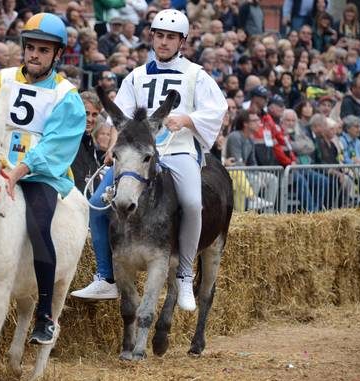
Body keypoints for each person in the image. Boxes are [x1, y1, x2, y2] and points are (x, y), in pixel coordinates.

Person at [71, 9, 227, 312]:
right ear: (152, 37)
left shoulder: (197, 75)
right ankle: (105, 275)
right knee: (98, 204)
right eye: (159, 36)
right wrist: (113, 147)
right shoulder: (136, 76)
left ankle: (183, 273)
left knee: (193, 204)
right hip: (136, 155)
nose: (164, 42)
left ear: (181, 40)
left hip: (178, 149)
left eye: (170, 37)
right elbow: (122, 118)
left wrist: (187, 119)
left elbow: (216, 110)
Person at [0, 12, 85, 345]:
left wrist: (19, 170)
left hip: (40, 175)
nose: (35, 55)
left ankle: (45, 316)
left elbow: (54, 145)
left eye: (43, 50)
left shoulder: (67, 95)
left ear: (56, 55)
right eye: (31, 48)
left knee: (39, 226)